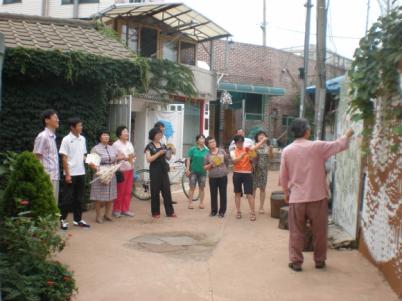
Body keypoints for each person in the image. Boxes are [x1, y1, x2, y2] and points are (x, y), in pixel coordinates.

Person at [279, 118, 354, 272]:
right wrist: (348, 133)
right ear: (307, 131)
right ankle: (319, 261)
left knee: (296, 231)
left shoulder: (287, 151)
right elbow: (338, 145)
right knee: (320, 231)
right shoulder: (317, 146)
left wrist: (286, 193)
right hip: (318, 197)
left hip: (297, 198)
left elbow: (283, 176)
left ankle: (296, 262)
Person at [58, 117, 90, 230]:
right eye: (79, 126)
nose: (81, 127)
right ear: (72, 127)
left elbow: (83, 155)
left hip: (81, 172)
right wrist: (67, 174)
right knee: (67, 198)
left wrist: (91, 162)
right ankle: (63, 220)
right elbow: (64, 158)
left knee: (79, 198)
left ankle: (78, 220)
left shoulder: (83, 139)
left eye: (81, 125)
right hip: (70, 173)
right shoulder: (66, 139)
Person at [230, 134, 268, 221]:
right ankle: (238, 211)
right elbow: (234, 161)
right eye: (238, 142)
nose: (240, 144)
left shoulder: (247, 149)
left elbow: (255, 148)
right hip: (237, 173)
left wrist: (262, 141)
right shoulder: (233, 151)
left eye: (241, 142)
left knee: (249, 194)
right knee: (237, 193)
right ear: (235, 143)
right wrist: (242, 155)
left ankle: (252, 212)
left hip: (247, 173)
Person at [89, 130, 124, 224]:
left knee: (111, 195)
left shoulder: (112, 148)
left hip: (111, 172)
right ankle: (98, 216)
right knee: (99, 196)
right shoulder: (95, 148)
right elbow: (91, 162)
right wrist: (98, 171)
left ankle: (107, 214)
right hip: (100, 173)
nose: (107, 137)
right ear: (100, 137)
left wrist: (118, 160)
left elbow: (117, 158)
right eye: (104, 135)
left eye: (108, 135)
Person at [145, 127, 176, 218]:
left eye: (161, 134)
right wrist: (158, 153)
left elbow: (168, 158)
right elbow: (149, 159)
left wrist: (171, 150)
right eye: (158, 134)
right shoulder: (149, 146)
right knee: (155, 191)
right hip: (154, 170)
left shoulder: (163, 145)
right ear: (153, 135)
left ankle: (170, 212)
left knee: (167, 191)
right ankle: (155, 212)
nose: (160, 136)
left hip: (163, 170)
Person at [33, 109, 60, 202]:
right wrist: (40, 177)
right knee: (46, 204)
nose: (58, 120)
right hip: (46, 177)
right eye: (55, 118)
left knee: (53, 205)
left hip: (54, 176)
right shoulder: (43, 136)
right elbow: (36, 157)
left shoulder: (52, 137)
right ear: (47, 120)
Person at [112, 126, 135, 218]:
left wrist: (132, 159)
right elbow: (113, 158)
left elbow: (133, 155)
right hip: (121, 170)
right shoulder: (116, 144)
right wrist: (123, 158)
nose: (126, 133)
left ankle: (125, 209)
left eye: (127, 131)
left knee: (128, 190)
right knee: (120, 190)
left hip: (130, 168)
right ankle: (117, 209)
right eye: (124, 132)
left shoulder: (129, 143)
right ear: (119, 134)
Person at [204, 136, 229, 217]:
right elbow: (204, 167)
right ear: (208, 145)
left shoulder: (222, 151)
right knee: (213, 194)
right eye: (210, 142)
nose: (213, 143)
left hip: (222, 176)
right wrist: (211, 164)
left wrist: (224, 169)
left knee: (223, 194)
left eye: (214, 141)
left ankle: (222, 212)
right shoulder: (207, 154)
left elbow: (227, 160)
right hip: (213, 177)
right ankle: (214, 211)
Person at [154, 121, 177, 204]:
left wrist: (171, 149)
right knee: (158, 184)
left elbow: (167, 148)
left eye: (163, 127)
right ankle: (156, 200)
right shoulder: (154, 139)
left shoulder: (164, 137)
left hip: (164, 162)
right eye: (161, 127)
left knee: (166, 183)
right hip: (156, 163)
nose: (163, 128)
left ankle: (168, 200)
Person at [253, 130, 273, 214]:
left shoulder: (268, 146)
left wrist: (271, 150)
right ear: (257, 137)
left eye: (263, 135)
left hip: (264, 170)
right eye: (260, 135)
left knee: (262, 189)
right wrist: (261, 142)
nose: (261, 136)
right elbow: (251, 152)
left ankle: (261, 207)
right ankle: (252, 207)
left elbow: (271, 158)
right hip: (254, 170)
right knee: (253, 189)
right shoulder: (254, 145)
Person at [186, 134, 209, 210]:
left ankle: (201, 203)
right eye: (200, 138)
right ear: (197, 141)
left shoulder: (207, 150)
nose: (202, 140)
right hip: (193, 171)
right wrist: (187, 169)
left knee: (202, 188)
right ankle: (190, 203)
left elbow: (209, 161)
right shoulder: (192, 149)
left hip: (203, 172)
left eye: (203, 138)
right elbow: (188, 159)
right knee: (192, 187)